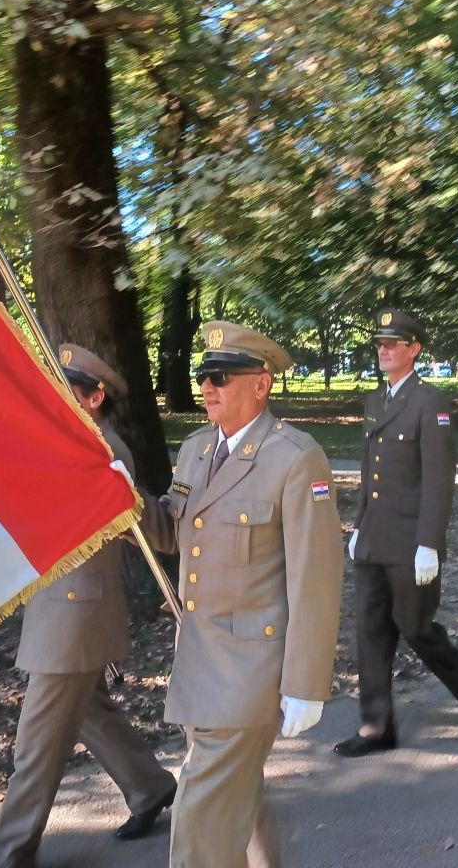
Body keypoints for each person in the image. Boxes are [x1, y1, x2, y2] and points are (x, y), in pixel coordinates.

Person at [140, 320, 344, 868]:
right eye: (204, 375)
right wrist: (129, 498)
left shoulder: (294, 458)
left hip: (251, 668)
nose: (207, 386)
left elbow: (316, 576)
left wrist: (306, 682)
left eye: (222, 376)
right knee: (237, 799)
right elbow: (173, 535)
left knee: (201, 825)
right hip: (198, 658)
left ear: (261, 384)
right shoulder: (196, 449)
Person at [0, 345, 177, 868]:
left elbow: (123, 518)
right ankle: (149, 785)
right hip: (60, 606)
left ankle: (8, 853)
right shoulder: (68, 444)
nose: (56, 397)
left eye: (69, 390)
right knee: (88, 711)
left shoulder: (101, 452)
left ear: (94, 398)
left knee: (36, 747)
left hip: (77, 612)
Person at [334, 308, 458, 757]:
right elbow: (369, 471)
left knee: (416, 628)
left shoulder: (430, 401)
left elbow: (439, 479)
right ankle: (376, 727)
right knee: (370, 631)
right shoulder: (375, 401)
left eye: (393, 343)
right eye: (379, 343)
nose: (383, 350)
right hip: (375, 538)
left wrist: (429, 544)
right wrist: (358, 524)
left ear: (414, 349)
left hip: (410, 542)